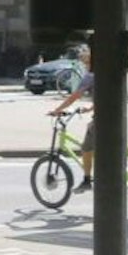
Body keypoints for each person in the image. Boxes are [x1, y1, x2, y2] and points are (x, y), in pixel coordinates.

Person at [50, 45, 96, 192]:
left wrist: (58, 110)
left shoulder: (90, 76)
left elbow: (75, 96)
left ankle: (87, 180)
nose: (85, 66)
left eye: (86, 63)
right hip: (110, 116)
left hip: (102, 120)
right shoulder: (104, 74)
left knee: (86, 148)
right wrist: (90, 108)